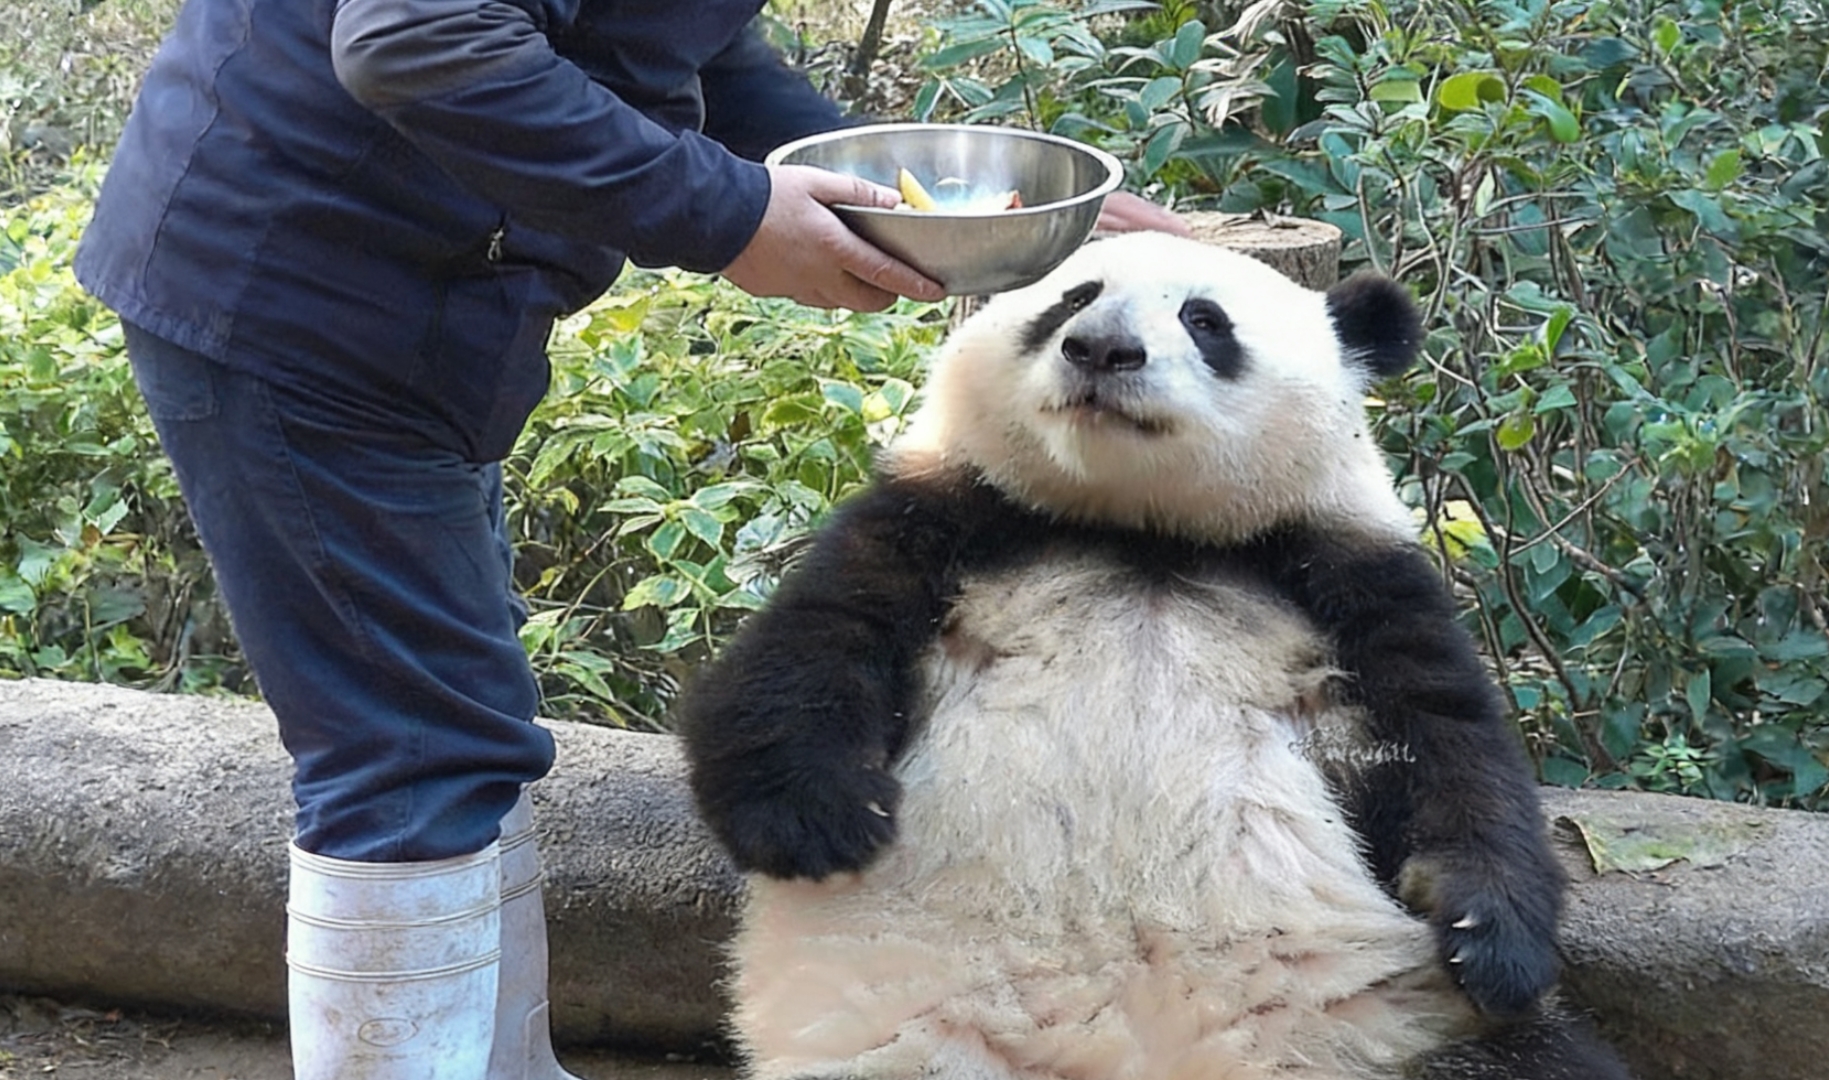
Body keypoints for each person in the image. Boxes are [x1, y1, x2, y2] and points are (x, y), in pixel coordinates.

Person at [75, 0, 1188, 1077]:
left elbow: (671, 42)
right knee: (410, 750)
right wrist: (734, 215)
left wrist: (929, 215)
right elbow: (420, 36)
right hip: (303, 284)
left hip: (419, 304)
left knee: (458, 727)